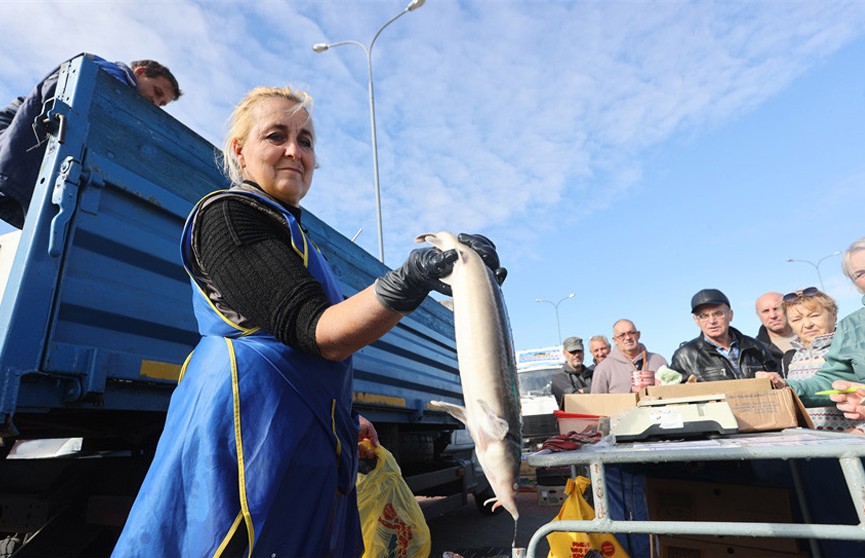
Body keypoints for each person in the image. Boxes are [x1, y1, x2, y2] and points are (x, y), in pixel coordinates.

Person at [112, 86, 505, 557]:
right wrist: (414, 277)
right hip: (247, 443)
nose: (294, 151)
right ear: (239, 149)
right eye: (275, 136)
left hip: (298, 440)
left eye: (306, 140)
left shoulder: (297, 236)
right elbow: (317, 331)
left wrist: (342, 416)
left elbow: (298, 359)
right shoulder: (228, 216)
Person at [0, 53, 182, 228]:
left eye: (162, 103)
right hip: (18, 160)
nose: (155, 103)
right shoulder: (113, 77)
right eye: (157, 92)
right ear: (140, 73)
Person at [761, 238, 865, 422]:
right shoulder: (851, 328)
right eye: (861, 273)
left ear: (833, 313)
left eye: (814, 315)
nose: (807, 325)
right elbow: (832, 379)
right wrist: (784, 386)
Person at [670, 288, 778, 382]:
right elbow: (674, 396)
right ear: (696, 320)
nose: (712, 321)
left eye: (718, 313)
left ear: (730, 315)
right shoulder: (685, 356)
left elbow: (779, 382)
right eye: (704, 316)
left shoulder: (756, 348)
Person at [590, 319, 667, 394]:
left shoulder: (659, 361)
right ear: (615, 340)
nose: (627, 338)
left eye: (631, 333)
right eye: (622, 335)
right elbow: (596, 402)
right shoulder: (603, 369)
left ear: (638, 335)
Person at [754, 291, 796, 366]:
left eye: (776, 309)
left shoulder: (811, 335)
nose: (773, 316)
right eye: (766, 311)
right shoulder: (755, 350)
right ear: (758, 315)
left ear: (788, 308)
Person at [550, 336, 593, 408]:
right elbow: (574, 399)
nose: (577, 355)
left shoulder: (593, 373)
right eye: (572, 352)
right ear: (564, 353)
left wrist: (583, 391)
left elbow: (604, 391)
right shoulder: (559, 377)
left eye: (579, 351)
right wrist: (592, 392)